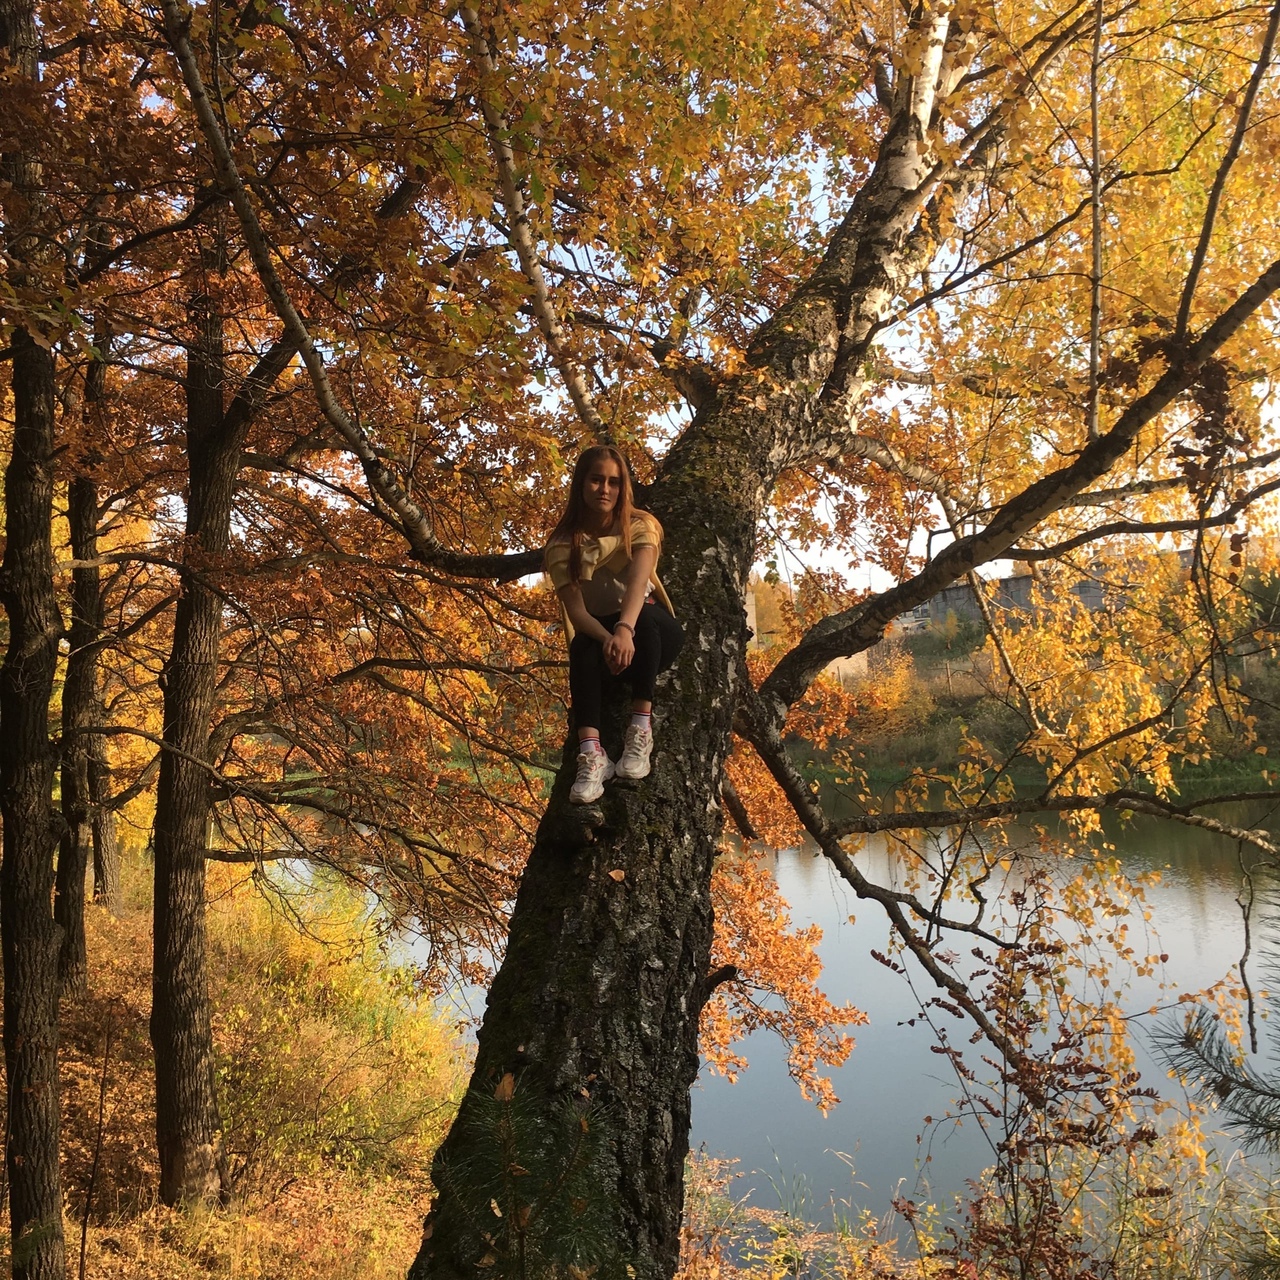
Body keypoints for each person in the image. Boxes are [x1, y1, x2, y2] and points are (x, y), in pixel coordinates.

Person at [545, 445, 684, 804]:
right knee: (581, 647)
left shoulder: (641, 526)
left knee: (648, 619)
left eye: (613, 482)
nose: (604, 489)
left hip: (650, 630)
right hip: (601, 632)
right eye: (595, 480)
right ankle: (592, 753)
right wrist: (610, 639)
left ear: (623, 488)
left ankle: (640, 727)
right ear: (580, 484)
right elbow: (576, 612)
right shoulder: (562, 544)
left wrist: (624, 630)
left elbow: (639, 585)